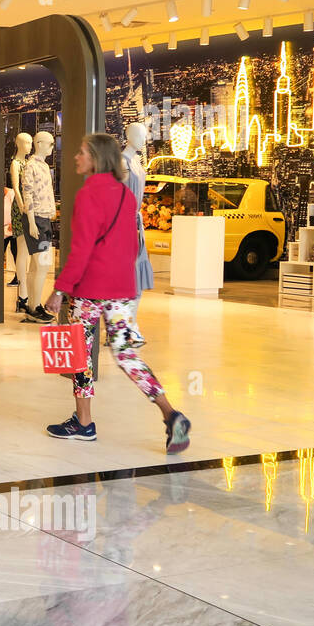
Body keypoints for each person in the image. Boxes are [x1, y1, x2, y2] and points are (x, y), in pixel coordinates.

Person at [43, 133, 191, 453]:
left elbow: (80, 251)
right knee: (126, 354)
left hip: (89, 291)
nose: (76, 157)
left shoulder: (86, 196)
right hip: (122, 291)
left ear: (97, 158)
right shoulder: (126, 195)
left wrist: (60, 289)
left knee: (79, 355)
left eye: (82, 152)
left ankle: (83, 424)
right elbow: (130, 245)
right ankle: (171, 413)